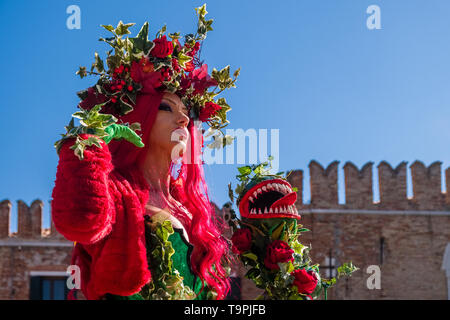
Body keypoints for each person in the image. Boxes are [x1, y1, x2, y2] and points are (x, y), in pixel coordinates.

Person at [51, 5, 239, 300]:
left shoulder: (191, 210)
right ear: (137, 118)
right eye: (167, 107)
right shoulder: (114, 191)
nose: (184, 119)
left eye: (186, 111)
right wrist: (90, 147)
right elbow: (80, 222)